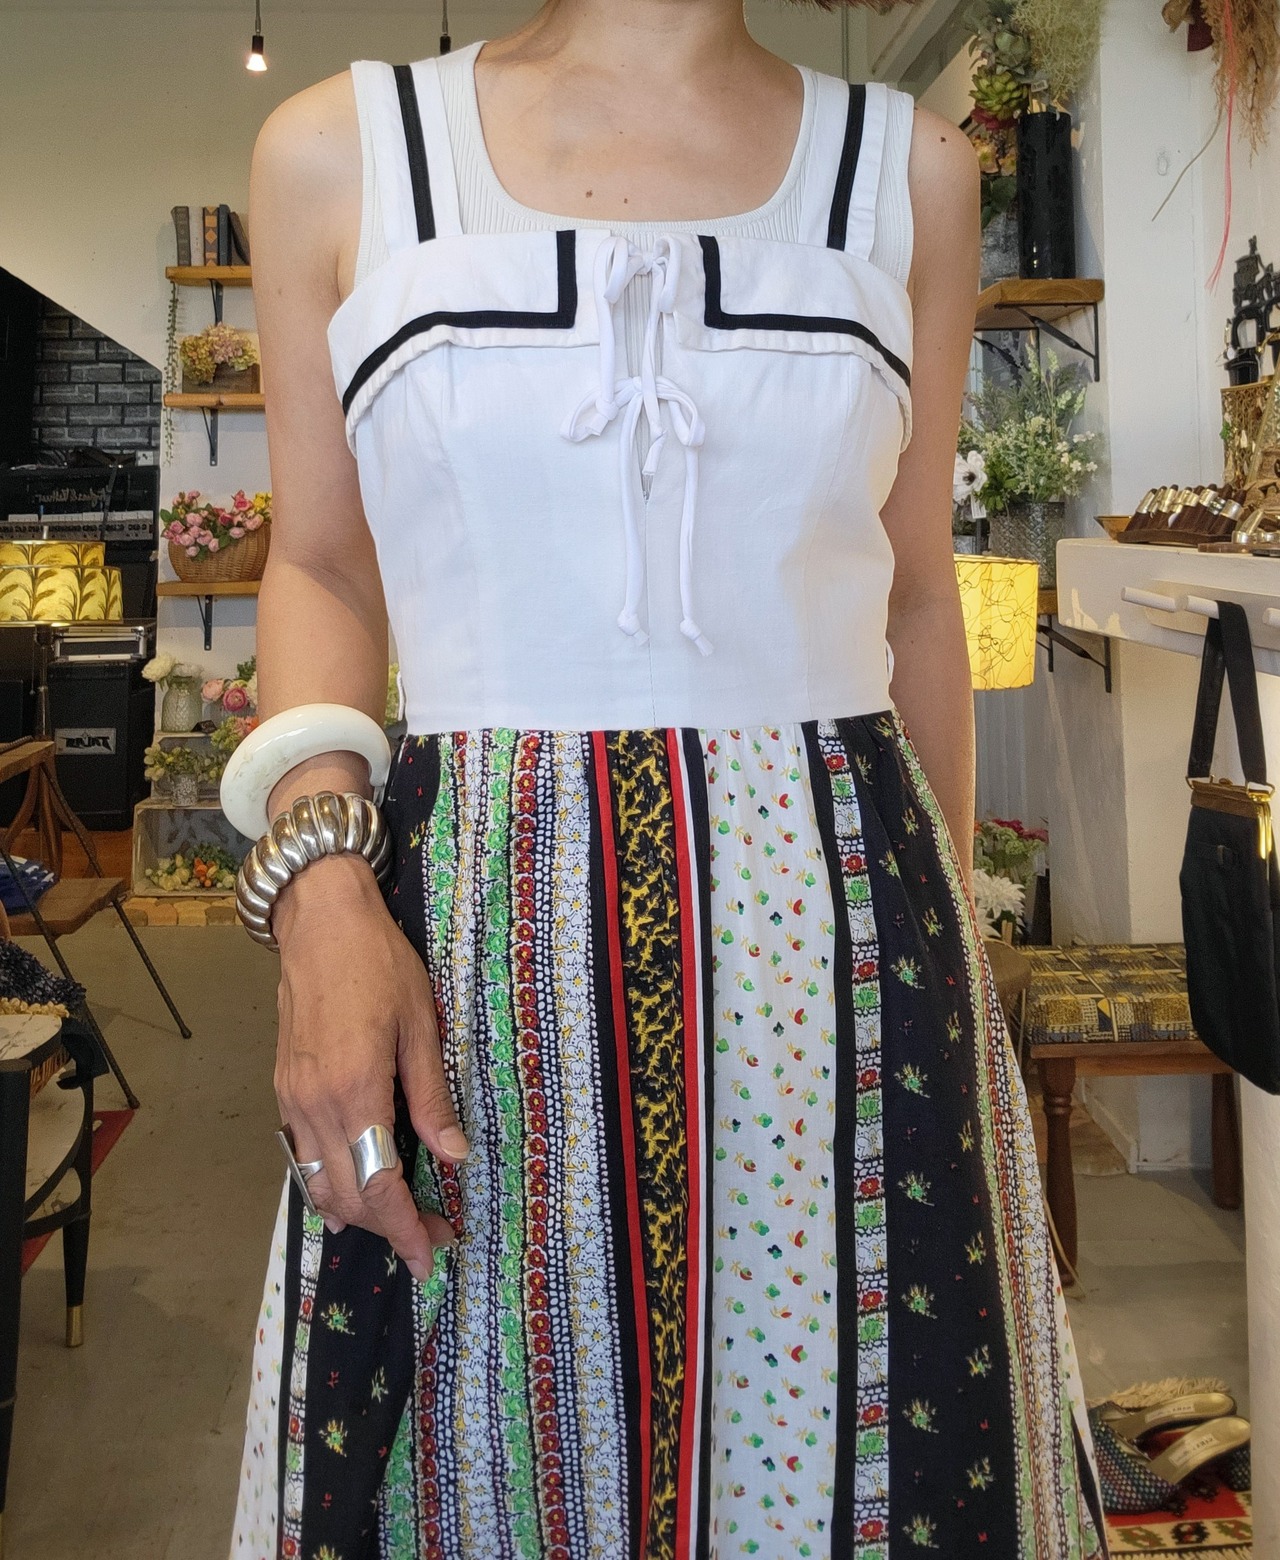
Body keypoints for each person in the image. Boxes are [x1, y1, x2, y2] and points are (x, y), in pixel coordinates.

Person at [227, 0, 1107, 1553]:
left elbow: (914, 597)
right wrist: (318, 904)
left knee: (858, 1471)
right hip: (470, 983)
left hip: (844, 983)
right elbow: (318, 564)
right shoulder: (340, 150)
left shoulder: (909, 170)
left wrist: (954, 971)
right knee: (481, 1466)